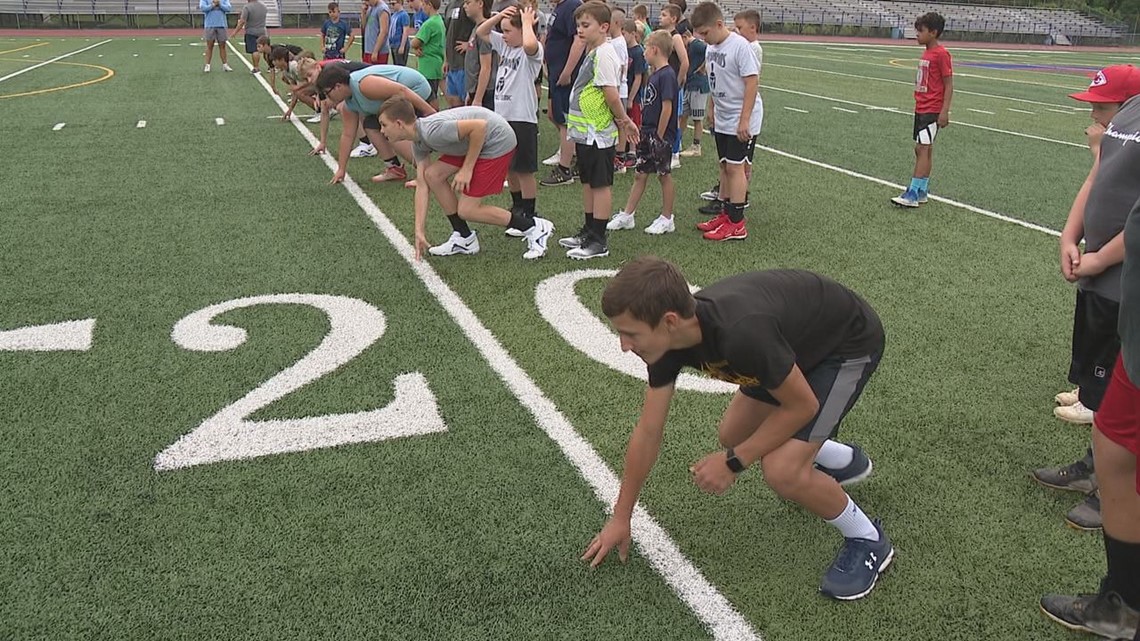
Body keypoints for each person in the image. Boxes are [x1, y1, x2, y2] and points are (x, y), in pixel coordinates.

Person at [582, 257, 890, 601]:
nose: (624, 345)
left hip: (845, 345)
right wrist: (621, 517)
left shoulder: (740, 333)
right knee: (733, 434)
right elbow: (648, 432)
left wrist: (733, 463)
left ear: (669, 321)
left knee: (782, 471)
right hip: (791, 346)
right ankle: (840, 459)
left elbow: (803, 406)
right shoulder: (667, 344)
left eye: (630, 333)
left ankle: (867, 537)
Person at [1040, 82, 1140, 641]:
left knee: (1121, 443)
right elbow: (1104, 184)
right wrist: (1073, 237)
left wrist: (1101, 254)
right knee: (1113, 440)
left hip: (1126, 292)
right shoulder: (1129, 115)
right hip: (1126, 310)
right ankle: (1121, 606)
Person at [378, 99, 555, 259]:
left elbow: (479, 127)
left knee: (467, 210)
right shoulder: (418, 140)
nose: (381, 130)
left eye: (384, 125)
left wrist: (467, 169)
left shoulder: (432, 131)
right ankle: (464, 237)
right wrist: (419, 231)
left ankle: (533, 227)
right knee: (432, 175)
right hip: (473, 142)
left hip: (496, 140)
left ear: (399, 123)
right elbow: (423, 186)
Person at [555, 1, 639, 260]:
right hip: (587, 132)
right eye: (578, 25)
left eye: (585, 25)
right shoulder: (594, 52)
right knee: (589, 182)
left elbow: (611, 95)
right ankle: (590, 230)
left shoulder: (604, 53)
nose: (580, 30)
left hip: (598, 132)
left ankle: (599, 239)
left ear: (604, 27)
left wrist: (624, 120)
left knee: (600, 184)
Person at [690, 1, 760, 241]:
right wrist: (712, 107)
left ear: (719, 24)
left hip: (740, 115)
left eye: (706, 33)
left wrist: (744, 120)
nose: (703, 38)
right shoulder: (711, 49)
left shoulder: (740, 46)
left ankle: (737, 223)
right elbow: (714, 78)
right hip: (722, 114)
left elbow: (752, 82)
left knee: (735, 167)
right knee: (724, 165)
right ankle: (726, 213)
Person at [606, 30, 678, 236]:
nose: (644, 52)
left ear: (655, 49)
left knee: (664, 175)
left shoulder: (667, 75)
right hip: (647, 133)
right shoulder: (656, 74)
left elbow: (667, 108)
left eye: (646, 48)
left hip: (658, 136)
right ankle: (628, 214)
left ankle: (667, 217)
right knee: (640, 174)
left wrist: (660, 136)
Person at [315, 63, 437, 184]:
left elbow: (402, 91)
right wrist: (341, 169)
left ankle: (424, 171)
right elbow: (348, 135)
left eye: (327, 93)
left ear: (338, 86)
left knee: (390, 126)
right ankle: (394, 168)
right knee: (371, 124)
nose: (327, 98)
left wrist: (431, 113)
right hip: (400, 100)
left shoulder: (363, 85)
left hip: (416, 91)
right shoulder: (349, 104)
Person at [477, 4, 543, 227]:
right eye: (502, 31)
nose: (503, 35)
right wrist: (498, 19)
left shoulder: (530, 51)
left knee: (524, 170)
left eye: (507, 31)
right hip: (502, 117)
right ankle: (517, 206)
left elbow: (530, 43)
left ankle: (530, 211)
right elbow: (481, 32)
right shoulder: (504, 46)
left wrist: (526, 24)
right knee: (509, 168)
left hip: (522, 118)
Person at [891, 12, 952, 208]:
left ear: (933, 33)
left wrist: (944, 111)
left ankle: (913, 192)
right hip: (922, 106)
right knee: (923, 148)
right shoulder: (927, 52)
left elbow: (948, 84)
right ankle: (923, 189)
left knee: (923, 148)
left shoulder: (941, 54)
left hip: (932, 109)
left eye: (921, 31)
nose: (917, 34)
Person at [538, 0, 585, 185]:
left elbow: (578, 40)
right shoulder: (561, 6)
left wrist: (567, 71)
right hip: (558, 72)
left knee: (566, 120)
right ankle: (574, 155)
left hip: (566, 74)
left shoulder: (572, 6)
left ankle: (565, 169)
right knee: (555, 115)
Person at [656, 4, 688, 170]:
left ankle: (675, 153)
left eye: (664, 15)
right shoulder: (663, 36)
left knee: (674, 119)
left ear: (673, 19)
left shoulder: (675, 37)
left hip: (672, 84)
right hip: (662, 83)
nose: (660, 17)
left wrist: (678, 82)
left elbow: (685, 61)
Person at [618, 19, 646, 171]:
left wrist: (631, 98)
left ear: (633, 34)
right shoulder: (624, 49)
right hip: (622, 93)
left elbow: (638, 77)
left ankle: (633, 152)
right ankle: (625, 148)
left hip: (633, 95)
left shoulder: (638, 51)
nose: (622, 37)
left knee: (633, 120)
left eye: (624, 34)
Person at [677, 26, 707, 157]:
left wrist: (703, 67)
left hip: (698, 85)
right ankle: (678, 141)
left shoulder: (696, 45)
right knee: (682, 114)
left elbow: (710, 50)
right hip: (689, 84)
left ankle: (696, 145)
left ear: (685, 37)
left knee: (697, 117)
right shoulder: (691, 46)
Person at [411, 0, 445, 108]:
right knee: (432, 93)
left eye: (424, 4)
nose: (423, 7)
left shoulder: (429, 24)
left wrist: (415, 46)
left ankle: (433, 117)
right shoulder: (439, 20)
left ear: (429, 5)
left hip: (428, 65)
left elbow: (415, 42)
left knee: (429, 96)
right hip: (435, 62)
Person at [442, 0, 475, 108]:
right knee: (453, 102)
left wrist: (470, 43)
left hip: (464, 63)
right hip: (452, 64)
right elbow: (448, 33)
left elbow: (480, 23)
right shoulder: (450, 6)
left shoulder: (469, 4)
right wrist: (446, 60)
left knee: (466, 103)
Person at [463, 0, 495, 110]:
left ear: (480, 4)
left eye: (468, 3)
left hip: (485, 93)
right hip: (475, 90)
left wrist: (478, 98)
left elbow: (486, 67)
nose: (464, 6)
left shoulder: (486, 30)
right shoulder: (476, 28)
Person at [231, 0, 268, 72]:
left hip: (251, 31)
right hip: (262, 30)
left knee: (254, 50)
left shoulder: (247, 7)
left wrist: (235, 32)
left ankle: (256, 67)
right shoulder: (263, 6)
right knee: (265, 50)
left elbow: (242, 21)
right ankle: (271, 66)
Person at [200, 0, 233, 73]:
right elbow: (203, 8)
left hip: (221, 24)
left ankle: (225, 65)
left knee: (222, 46)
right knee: (209, 46)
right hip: (210, 25)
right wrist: (213, 5)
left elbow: (228, 9)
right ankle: (207, 65)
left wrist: (220, 4)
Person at [388, 0, 411, 65]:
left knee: (400, 64)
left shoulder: (404, 15)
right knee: (396, 64)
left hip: (399, 44)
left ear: (400, 2)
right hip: (394, 44)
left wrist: (402, 46)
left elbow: (405, 31)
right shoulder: (394, 15)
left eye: (393, 4)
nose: (392, 6)